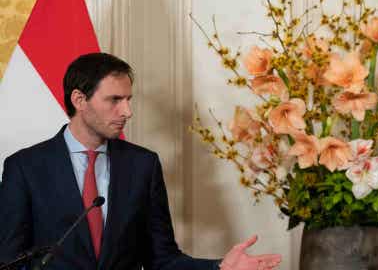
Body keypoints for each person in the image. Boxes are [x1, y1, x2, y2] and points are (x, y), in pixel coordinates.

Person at [0, 53, 281, 270]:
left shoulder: (142, 166)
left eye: (128, 99)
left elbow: (163, 259)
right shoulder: (24, 168)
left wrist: (219, 266)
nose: (127, 111)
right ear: (79, 99)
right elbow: (10, 262)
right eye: (115, 100)